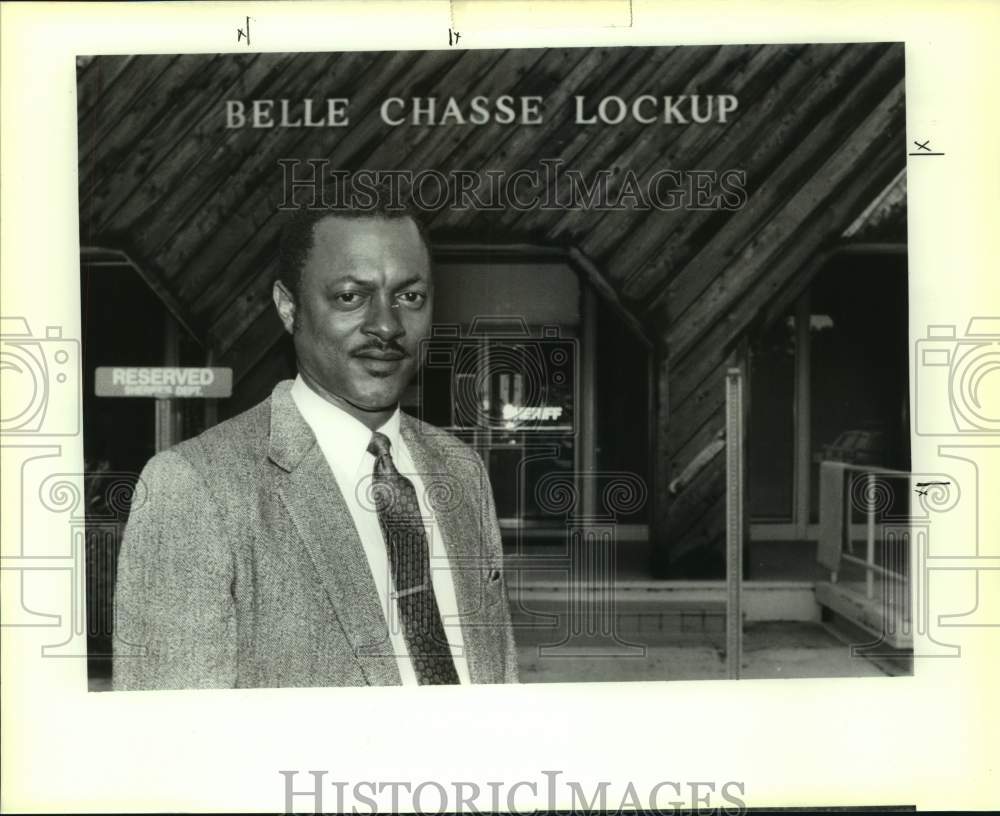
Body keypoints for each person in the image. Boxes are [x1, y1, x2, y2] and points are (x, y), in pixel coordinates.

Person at [112, 200, 518, 689]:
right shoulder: (195, 487)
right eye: (350, 297)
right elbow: (172, 742)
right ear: (289, 308)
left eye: (409, 296)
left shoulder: (461, 470)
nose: (386, 326)